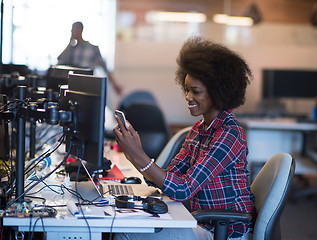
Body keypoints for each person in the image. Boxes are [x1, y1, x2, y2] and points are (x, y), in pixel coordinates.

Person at [113, 36, 256, 240]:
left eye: (195, 91)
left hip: (224, 232)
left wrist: (138, 155)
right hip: (202, 222)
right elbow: (169, 177)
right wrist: (136, 156)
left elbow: (182, 189)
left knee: (126, 234)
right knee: (129, 224)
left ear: (219, 92)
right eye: (187, 89)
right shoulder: (199, 129)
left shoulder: (229, 135)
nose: (188, 97)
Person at [57, 21, 122, 95]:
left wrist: (115, 85)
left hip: (86, 85)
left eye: (73, 29)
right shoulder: (71, 49)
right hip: (72, 85)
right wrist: (70, 43)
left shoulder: (92, 48)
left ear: (80, 30)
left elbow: (105, 68)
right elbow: (60, 60)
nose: (72, 32)